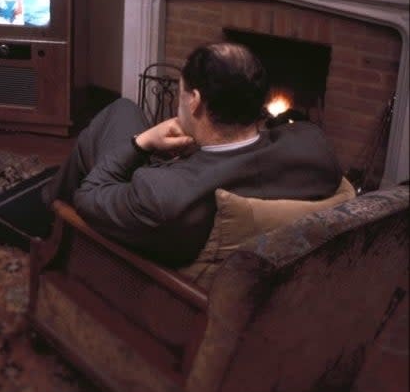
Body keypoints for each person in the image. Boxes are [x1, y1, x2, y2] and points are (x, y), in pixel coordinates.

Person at [43, 42, 342, 267]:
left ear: (196, 101)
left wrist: (141, 142)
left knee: (113, 118)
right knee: (125, 109)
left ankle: (46, 218)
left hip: (144, 265)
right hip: (190, 194)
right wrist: (200, 150)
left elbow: (88, 194)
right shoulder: (315, 149)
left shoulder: (159, 195)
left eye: (182, 91)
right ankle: (46, 194)